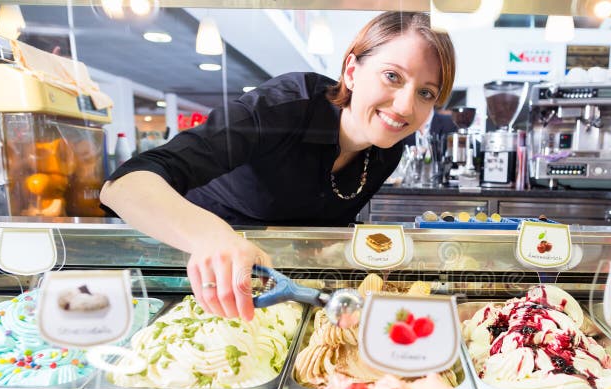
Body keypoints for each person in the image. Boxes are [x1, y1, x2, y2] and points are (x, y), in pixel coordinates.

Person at [100, 12, 455, 320]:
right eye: (392, 76)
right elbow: (124, 186)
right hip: (192, 274)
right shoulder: (285, 105)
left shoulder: (387, 147)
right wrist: (213, 237)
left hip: (281, 287)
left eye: (426, 92)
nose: (406, 106)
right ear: (351, 71)